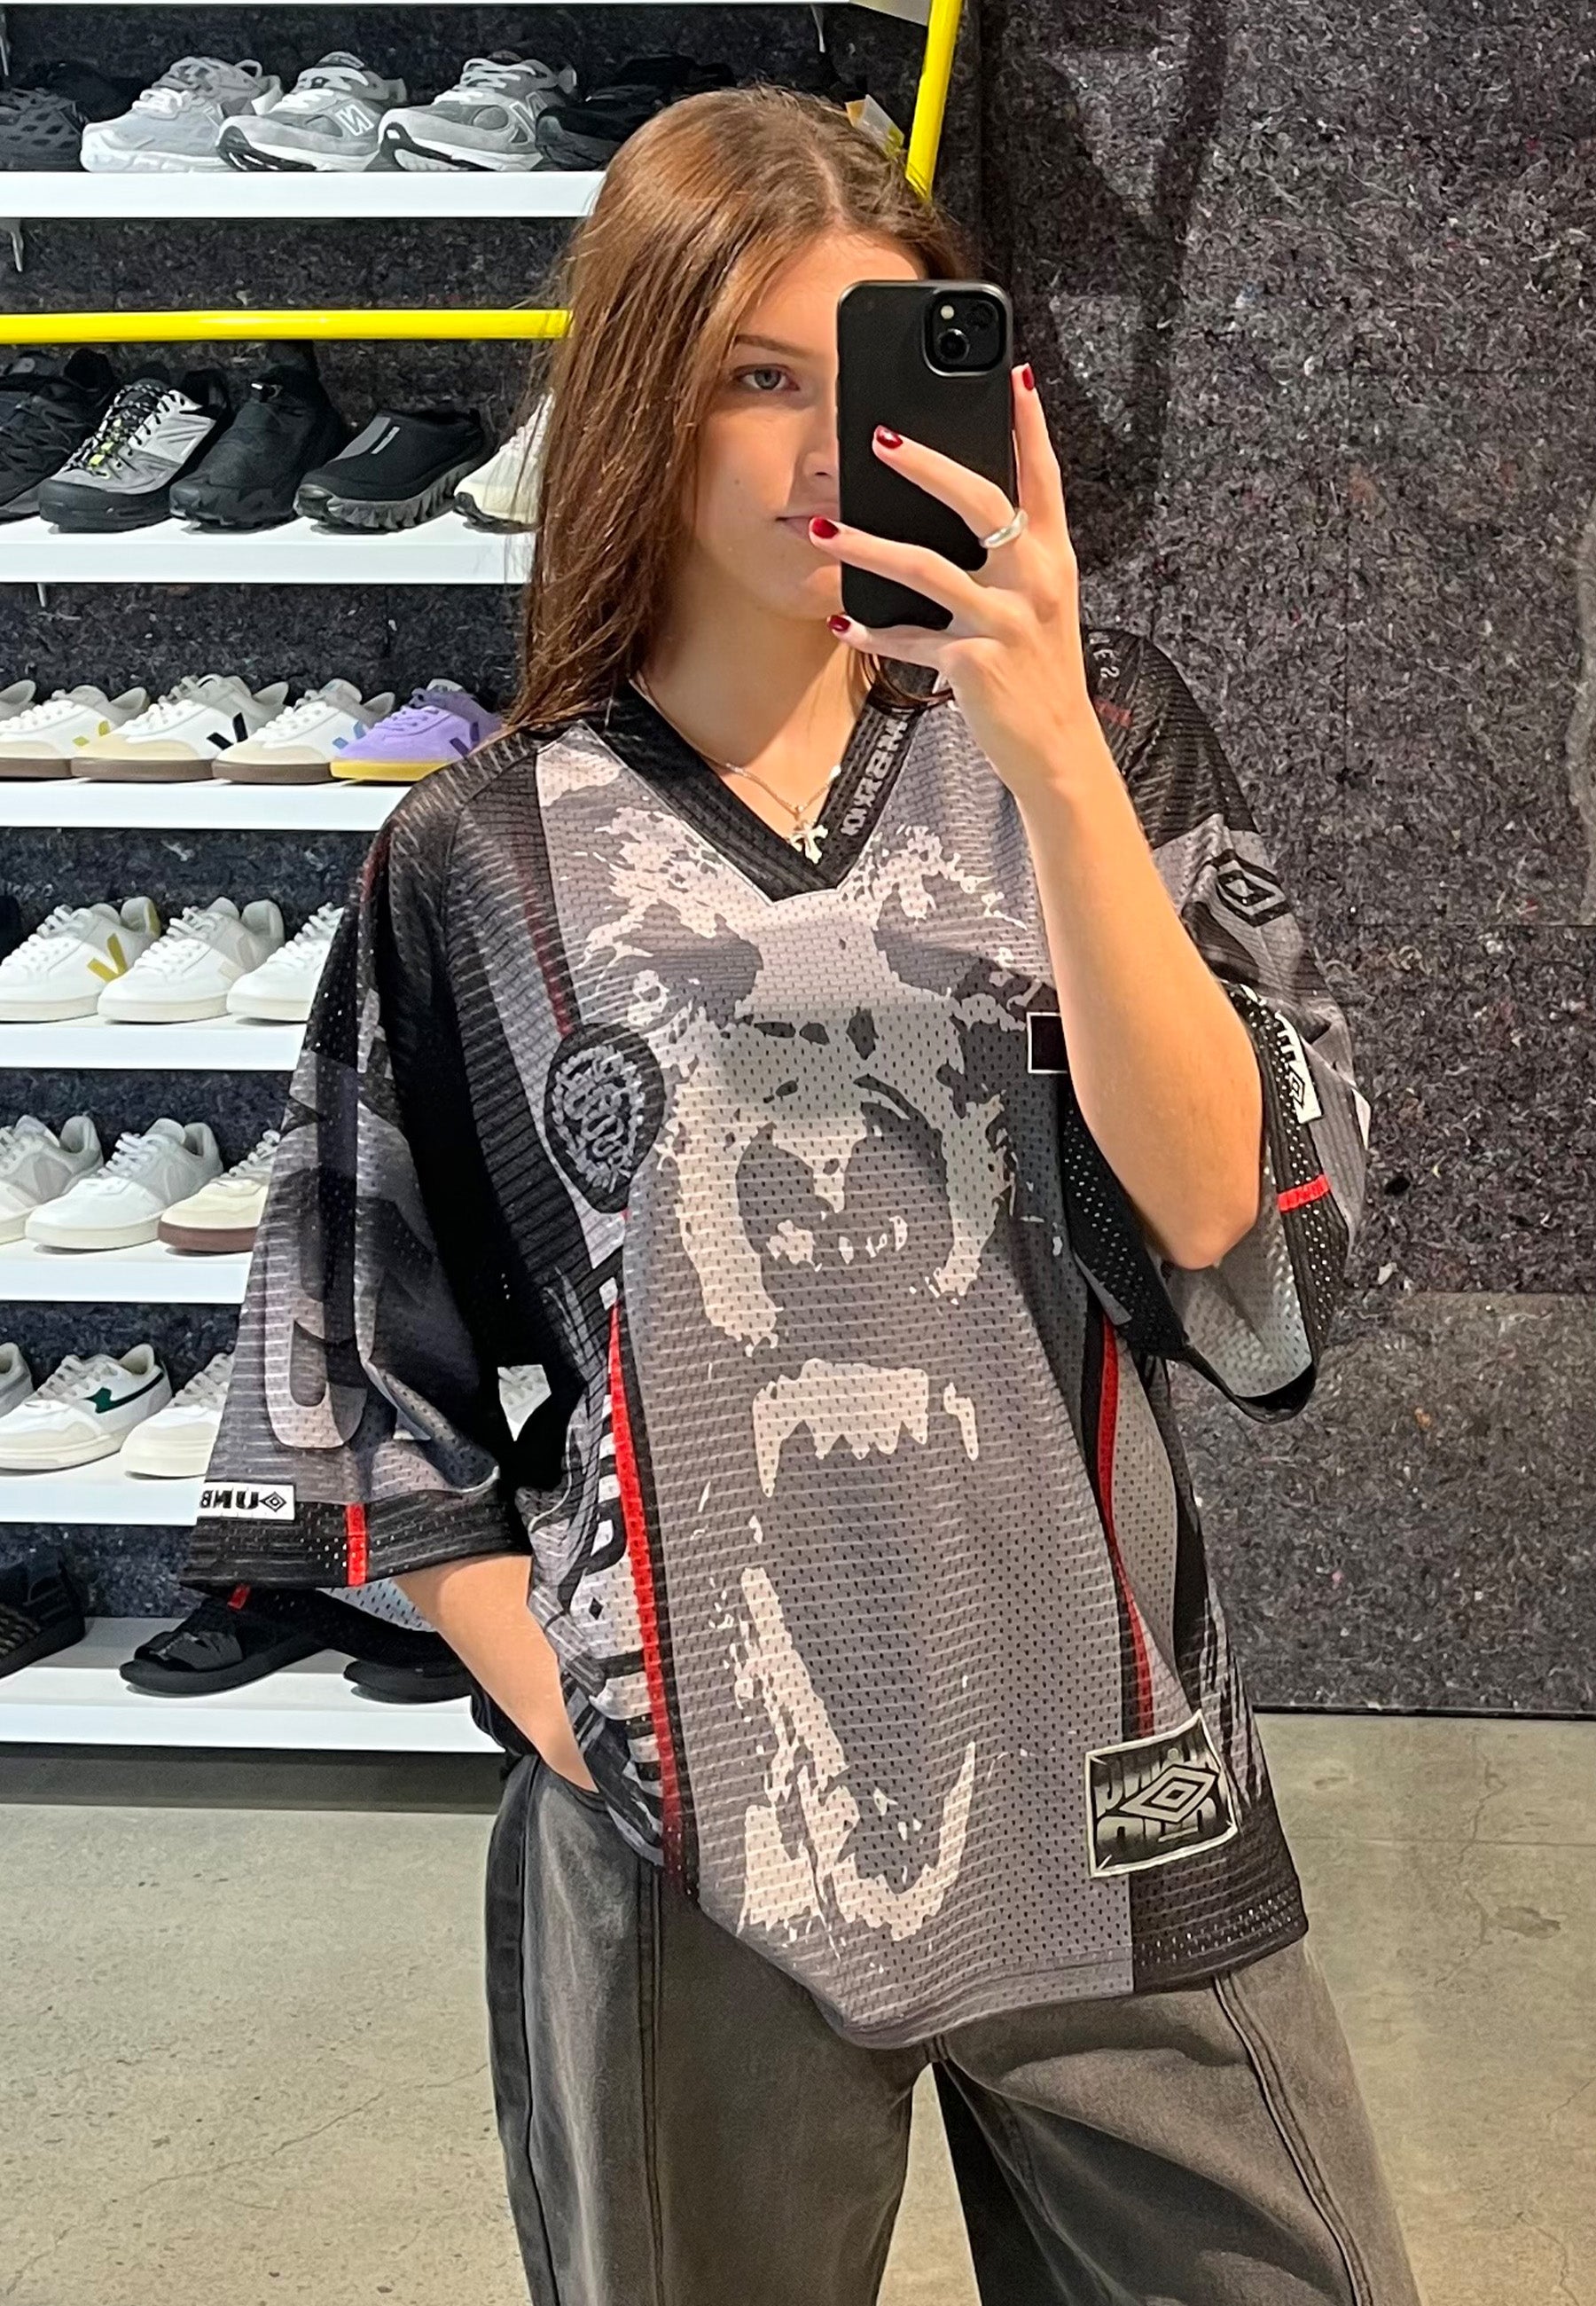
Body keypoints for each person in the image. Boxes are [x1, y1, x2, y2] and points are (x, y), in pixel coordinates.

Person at [184, 81, 1425, 2306]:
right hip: (697, 1837)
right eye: (757, 374)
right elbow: (363, 1366)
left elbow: (1228, 1222)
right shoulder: (482, 860)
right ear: (639, 396)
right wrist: (575, 1706)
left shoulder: (1105, 743)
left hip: (1114, 1778)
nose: (822, 443)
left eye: (871, 368)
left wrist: (1051, 757)